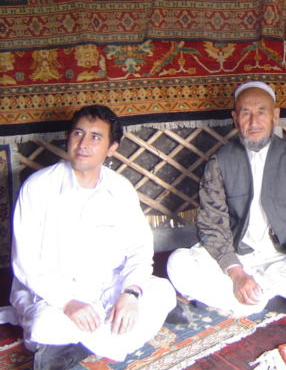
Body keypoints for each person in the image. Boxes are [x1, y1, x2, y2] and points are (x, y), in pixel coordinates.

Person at [10, 105, 178, 370]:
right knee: (46, 325)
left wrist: (131, 293)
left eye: (95, 137)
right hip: (55, 293)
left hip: (108, 285)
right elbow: (26, 263)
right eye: (78, 133)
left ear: (112, 148)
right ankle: (101, 340)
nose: (83, 144)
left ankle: (75, 346)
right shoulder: (38, 187)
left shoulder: (120, 188)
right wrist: (68, 302)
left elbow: (140, 249)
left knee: (164, 292)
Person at [167, 81, 286, 318]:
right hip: (236, 258)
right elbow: (211, 224)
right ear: (235, 118)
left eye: (261, 112)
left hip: (282, 256)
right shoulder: (219, 162)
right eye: (246, 113)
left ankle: (242, 301)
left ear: (275, 116)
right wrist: (236, 274)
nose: (254, 122)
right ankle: (266, 300)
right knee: (178, 263)